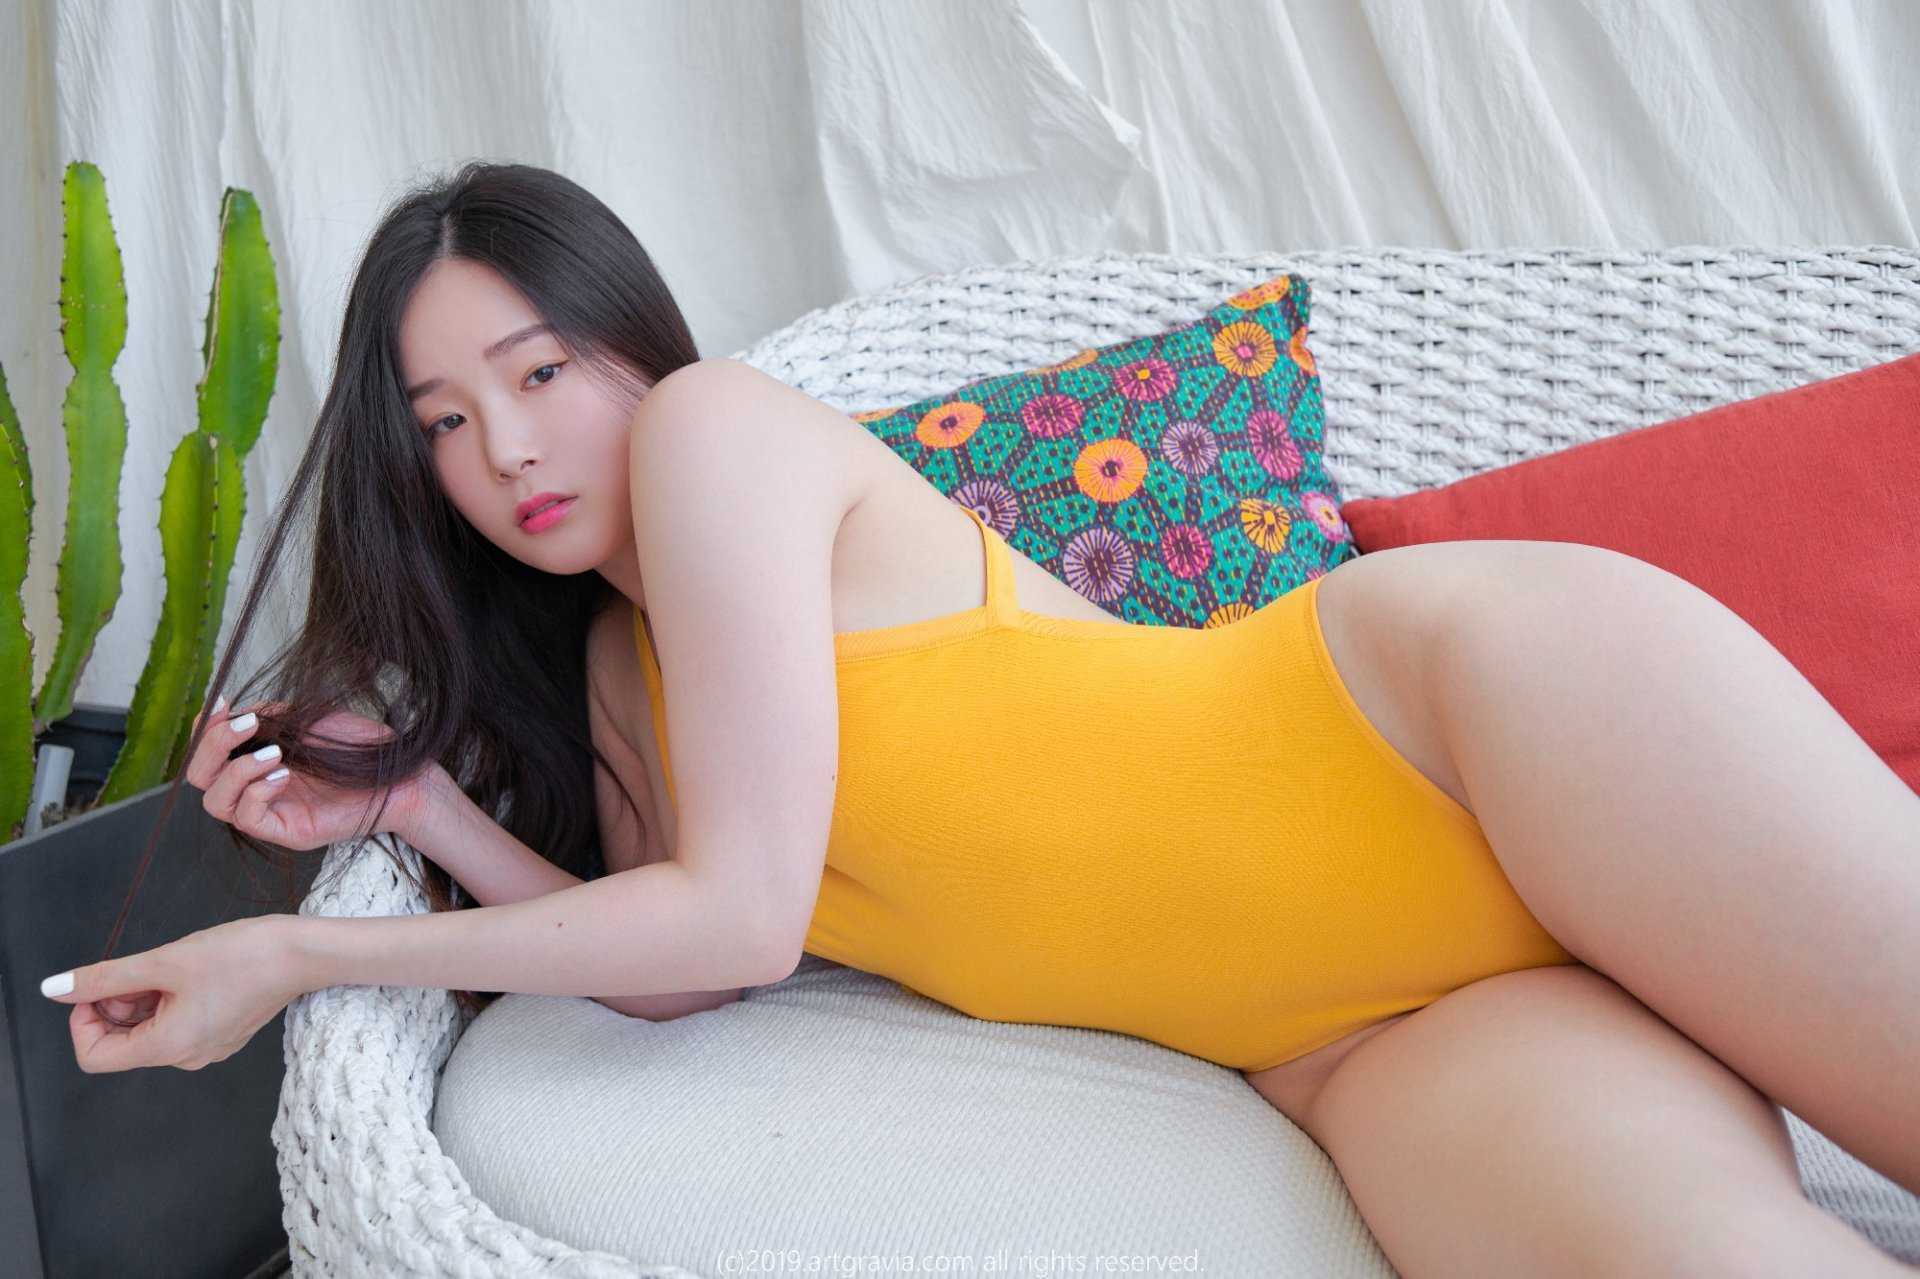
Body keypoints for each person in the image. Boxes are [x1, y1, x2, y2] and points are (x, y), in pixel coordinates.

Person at [40, 161, 1920, 1276]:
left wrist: (290, 952)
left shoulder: (715, 435)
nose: (508, 450)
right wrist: (420, 812)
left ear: (632, 342)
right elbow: (681, 968)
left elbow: (739, 914)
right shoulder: (619, 666)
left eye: (539, 371)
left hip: (1452, 723)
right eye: (446, 423)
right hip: (1366, 1042)